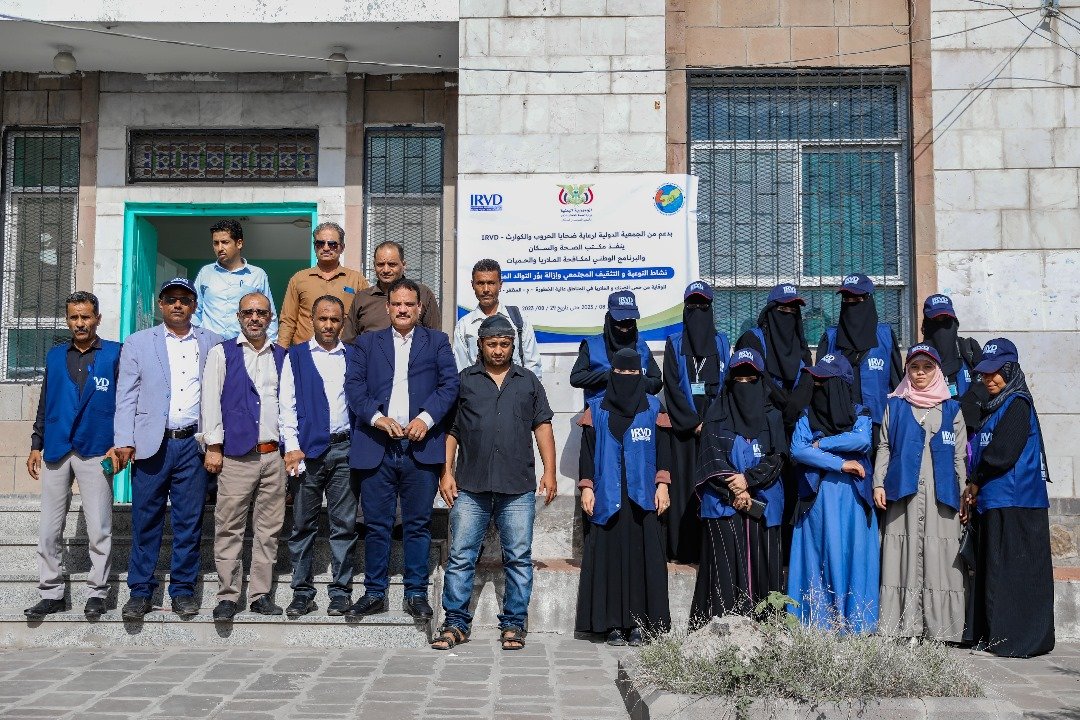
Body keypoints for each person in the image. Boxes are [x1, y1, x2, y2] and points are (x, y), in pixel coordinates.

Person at [432, 315, 558, 651]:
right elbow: (451, 432)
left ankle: (514, 624)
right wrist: (446, 472)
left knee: (518, 558)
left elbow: (543, 426)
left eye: (504, 344)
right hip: (470, 486)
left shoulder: (528, 381)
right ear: (480, 345)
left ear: (512, 346)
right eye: (492, 344)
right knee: (461, 556)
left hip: (517, 487)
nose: (498, 350)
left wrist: (549, 471)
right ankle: (455, 623)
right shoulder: (464, 381)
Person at [344, 277, 459, 620]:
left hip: (419, 447)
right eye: (397, 304)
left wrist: (426, 418)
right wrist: (377, 418)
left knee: (418, 524)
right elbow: (354, 387)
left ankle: (416, 593)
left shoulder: (437, 341)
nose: (403, 309)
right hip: (377, 446)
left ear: (419, 308)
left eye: (410, 304)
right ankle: (374, 592)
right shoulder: (367, 343)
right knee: (376, 525)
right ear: (388, 307)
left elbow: (449, 385)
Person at [114, 278, 222, 620]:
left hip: (193, 445)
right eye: (171, 299)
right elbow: (126, 395)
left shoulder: (213, 342)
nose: (178, 304)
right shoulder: (138, 342)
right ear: (161, 304)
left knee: (189, 522)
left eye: (185, 299)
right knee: (145, 521)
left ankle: (183, 590)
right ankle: (140, 591)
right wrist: (124, 440)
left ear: (194, 306)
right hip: (151, 445)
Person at [24, 291, 122, 620]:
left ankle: (97, 592)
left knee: (99, 528)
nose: (80, 323)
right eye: (74, 317)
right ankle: (51, 592)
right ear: (67, 320)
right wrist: (36, 443)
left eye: (85, 317)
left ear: (97, 319)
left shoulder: (115, 353)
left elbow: (126, 402)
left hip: (97, 447)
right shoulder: (55, 356)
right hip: (57, 447)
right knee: (49, 529)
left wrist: (122, 443)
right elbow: (45, 401)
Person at [961, 338, 1054, 658]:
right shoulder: (993, 407)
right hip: (996, 500)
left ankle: (1014, 642)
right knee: (995, 572)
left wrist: (975, 481)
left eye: (996, 372)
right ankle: (994, 636)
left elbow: (1002, 453)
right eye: (984, 374)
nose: (989, 379)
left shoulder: (1017, 403)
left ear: (1011, 370)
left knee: (1013, 574)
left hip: (1017, 501)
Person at [576, 348, 671, 646]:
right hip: (607, 497)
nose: (627, 377)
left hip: (643, 498)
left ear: (641, 374)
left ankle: (640, 624)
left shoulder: (654, 408)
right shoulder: (596, 409)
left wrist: (663, 485)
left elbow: (664, 450)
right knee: (610, 560)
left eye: (633, 372)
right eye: (621, 372)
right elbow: (587, 453)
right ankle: (612, 625)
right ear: (612, 373)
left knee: (643, 560)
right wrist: (587, 487)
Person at [200, 292, 287, 620]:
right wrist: (213, 445)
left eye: (261, 313)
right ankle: (227, 595)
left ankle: (260, 594)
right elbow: (210, 401)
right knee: (229, 527)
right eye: (248, 312)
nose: (254, 318)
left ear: (270, 318)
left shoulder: (282, 356)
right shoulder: (222, 353)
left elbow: (288, 406)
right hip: (236, 456)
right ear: (239, 317)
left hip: (273, 455)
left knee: (269, 529)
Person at [873, 344, 968, 642]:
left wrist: (964, 494)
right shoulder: (895, 406)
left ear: (937, 370)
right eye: (914, 367)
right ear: (907, 371)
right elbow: (884, 446)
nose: (920, 373)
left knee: (941, 557)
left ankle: (940, 629)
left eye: (927, 367)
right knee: (902, 553)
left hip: (942, 496)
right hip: (904, 493)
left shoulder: (952, 409)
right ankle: (903, 626)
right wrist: (878, 483)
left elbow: (960, 457)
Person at [691, 348, 787, 624]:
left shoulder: (772, 416)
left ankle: (767, 629)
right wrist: (735, 489)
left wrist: (748, 481)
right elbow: (710, 459)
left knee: (764, 566)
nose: (744, 385)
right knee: (725, 569)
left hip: (763, 502)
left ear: (761, 380)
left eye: (751, 379)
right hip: (724, 503)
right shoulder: (715, 416)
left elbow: (777, 457)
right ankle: (723, 634)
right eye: (739, 379)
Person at [786, 352, 879, 633]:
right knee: (819, 554)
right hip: (817, 499)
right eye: (816, 381)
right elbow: (797, 450)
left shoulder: (860, 413)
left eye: (824, 381)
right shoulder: (806, 416)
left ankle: (855, 623)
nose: (817, 387)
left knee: (852, 554)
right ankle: (818, 624)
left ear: (839, 385)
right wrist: (841, 464)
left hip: (853, 499)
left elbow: (861, 440)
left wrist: (821, 444)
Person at [279, 295, 359, 618]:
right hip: (307, 452)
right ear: (312, 320)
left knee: (344, 524)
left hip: (345, 450)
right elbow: (287, 405)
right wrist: (291, 446)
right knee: (302, 524)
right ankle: (302, 593)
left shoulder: (352, 355)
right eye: (322, 319)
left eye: (334, 320)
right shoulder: (296, 356)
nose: (328, 325)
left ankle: (340, 592)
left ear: (342, 323)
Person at [735, 282, 814, 556]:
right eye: (783, 309)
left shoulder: (800, 343)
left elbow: (807, 378)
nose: (788, 315)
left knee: (794, 487)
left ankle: (791, 553)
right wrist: (784, 405)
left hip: (794, 427)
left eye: (793, 310)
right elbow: (755, 379)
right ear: (770, 311)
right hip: (763, 426)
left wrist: (793, 408)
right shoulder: (753, 339)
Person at [661, 281, 730, 563]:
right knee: (684, 487)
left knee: (712, 485)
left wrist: (711, 423)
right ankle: (683, 549)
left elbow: (727, 385)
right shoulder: (675, 343)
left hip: (714, 429)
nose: (698, 311)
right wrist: (693, 423)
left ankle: (710, 549)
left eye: (704, 306)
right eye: (693, 306)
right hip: (684, 431)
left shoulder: (721, 342)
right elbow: (671, 387)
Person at [816, 274, 902, 434]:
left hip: (878, 422)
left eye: (857, 299)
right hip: (839, 425)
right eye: (846, 299)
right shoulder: (831, 338)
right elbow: (819, 385)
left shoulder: (886, 337)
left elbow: (897, 384)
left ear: (868, 299)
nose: (851, 303)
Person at [277, 222, 368, 348]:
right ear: (315, 247)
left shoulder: (357, 280)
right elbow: (288, 320)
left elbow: (365, 320)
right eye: (320, 243)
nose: (326, 248)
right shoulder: (299, 279)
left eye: (332, 244)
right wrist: (281, 351)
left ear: (342, 247)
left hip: (344, 353)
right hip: (305, 352)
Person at [452, 258, 542, 379]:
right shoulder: (464, 325)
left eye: (491, 283)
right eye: (480, 283)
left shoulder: (518, 320)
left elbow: (533, 365)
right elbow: (461, 369)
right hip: (478, 389)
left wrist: (530, 390)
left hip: (516, 389)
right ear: (472, 285)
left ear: (500, 284)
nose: (486, 290)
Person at [193, 219, 279, 342]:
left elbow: (269, 314)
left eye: (225, 242)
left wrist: (272, 345)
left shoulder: (257, 275)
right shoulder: (205, 273)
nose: (220, 248)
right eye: (216, 243)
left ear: (239, 243)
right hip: (209, 345)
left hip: (243, 346)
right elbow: (195, 310)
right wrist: (196, 340)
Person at [570, 290, 662, 404]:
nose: (625, 329)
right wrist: (609, 376)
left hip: (638, 411)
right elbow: (576, 378)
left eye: (629, 323)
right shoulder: (592, 346)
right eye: (620, 324)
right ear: (610, 320)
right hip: (601, 410)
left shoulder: (641, 346)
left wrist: (636, 378)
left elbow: (656, 382)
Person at [341, 241, 441, 343]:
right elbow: (349, 342)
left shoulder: (422, 294)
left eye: (392, 264)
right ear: (374, 266)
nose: (386, 270)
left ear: (403, 265)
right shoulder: (362, 298)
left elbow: (435, 339)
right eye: (380, 264)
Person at [920, 294, 981, 400]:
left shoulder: (969, 349)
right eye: (936, 320)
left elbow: (984, 385)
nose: (941, 325)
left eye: (945, 319)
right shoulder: (918, 355)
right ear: (926, 323)